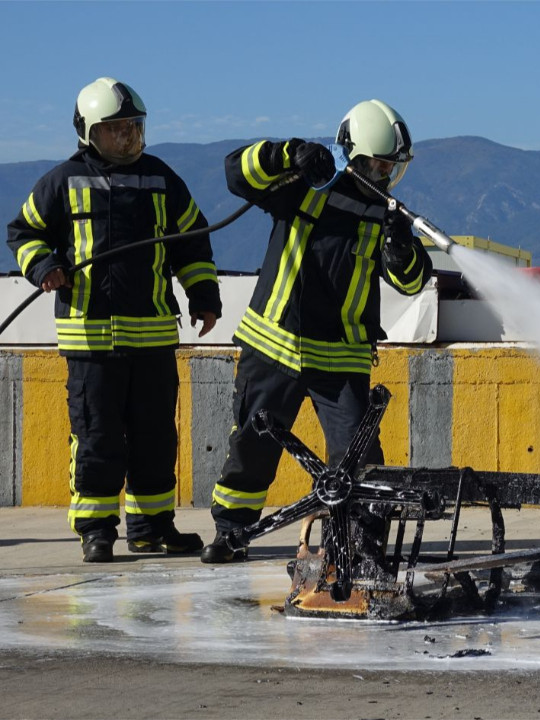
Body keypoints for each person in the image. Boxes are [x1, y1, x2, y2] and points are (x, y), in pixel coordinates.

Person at [201, 100, 432, 563]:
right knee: (252, 446)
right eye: (374, 163)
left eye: (390, 166)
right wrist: (288, 155)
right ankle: (232, 534)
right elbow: (235, 172)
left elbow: (411, 281)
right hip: (275, 345)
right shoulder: (305, 186)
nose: (382, 173)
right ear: (350, 152)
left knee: (359, 460)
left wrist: (400, 245)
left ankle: (357, 546)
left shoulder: (387, 213)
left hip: (342, 358)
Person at [6, 77, 221, 562]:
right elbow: (23, 233)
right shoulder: (61, 180)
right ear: (87, 133)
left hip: (153, 339)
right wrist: (44, 267)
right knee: (97, 436)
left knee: (155, 437)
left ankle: (151, 528)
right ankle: (96, 530)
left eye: (132, 129)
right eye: (114, 131)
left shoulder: (164, 179)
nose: (125, 139)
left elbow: (193, 242)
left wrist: (204, 294)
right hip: (89, 341)